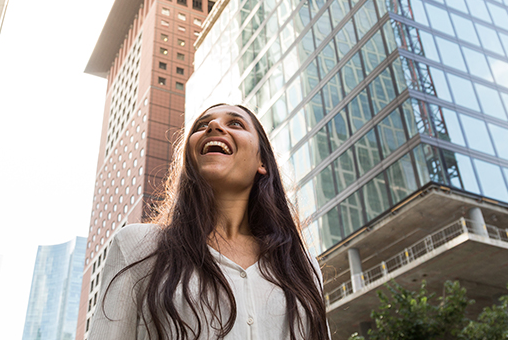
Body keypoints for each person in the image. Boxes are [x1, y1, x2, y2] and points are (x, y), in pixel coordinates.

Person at [90, 104, 330, 340]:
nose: (214, 125)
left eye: (235, 123)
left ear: (263, 163)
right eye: (201, 125)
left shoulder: (302, 265)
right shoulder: (137, 245)